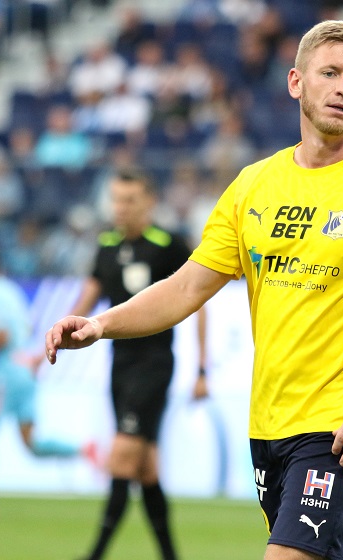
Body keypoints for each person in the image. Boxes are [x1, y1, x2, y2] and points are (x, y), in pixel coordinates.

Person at [45, 20, 343, 560]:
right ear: (295, 82)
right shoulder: (252, 186)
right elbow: (186, 287)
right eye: (330, 73)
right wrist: (100, 324)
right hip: (268, 423)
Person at [65, 168, 208, 560]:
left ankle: (93, 555)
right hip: (119, 365)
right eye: (116, 199)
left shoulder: (168, 244)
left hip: (154, 365)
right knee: (146, 470)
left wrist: (202, 369)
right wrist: (62, 330)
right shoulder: (107, 244)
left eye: (129, 200)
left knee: (122, 457)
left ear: (149, 202)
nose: (121, 208)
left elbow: (198, 300)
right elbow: (90, 294)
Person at [0, 252, 95, 522]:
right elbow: (27, 328)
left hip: (7, 372)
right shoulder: (10, 290)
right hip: (26, 369)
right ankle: (83, 449)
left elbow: (2, 335)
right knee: (32, 442)